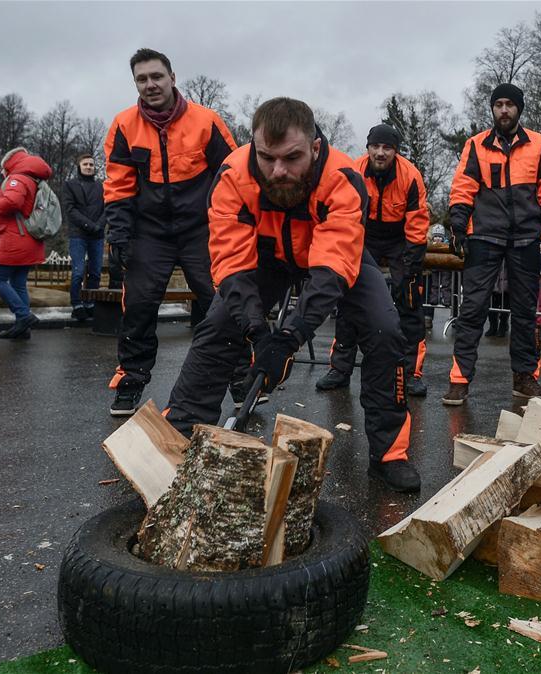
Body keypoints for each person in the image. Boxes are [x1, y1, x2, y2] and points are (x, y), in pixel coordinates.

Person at [163, 97, 420, 492]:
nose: (278, 171)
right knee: (217, 326)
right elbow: (230, 264)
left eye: (292, 158)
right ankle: (177, 435)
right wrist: (256, 332)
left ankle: (389, 453)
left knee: (386, 330)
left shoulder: (343, 177)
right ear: (254, 146)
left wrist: (290, 337)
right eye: (267, 158)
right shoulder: (233, 174)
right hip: (267, 256)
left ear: (315, 148)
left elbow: (333, 267)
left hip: (334, 256)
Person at [103, 48, 237, 416]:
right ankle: (130, 379)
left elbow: (234, 173)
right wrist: (119, 234)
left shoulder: (206, 121)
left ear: (172, 77)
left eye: (156, 77)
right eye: (142, 79)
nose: (150, 85)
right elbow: (118, 184)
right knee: (139, 304)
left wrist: (235, 226)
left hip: (201, 229)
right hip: (150, 232)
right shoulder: (124, 125)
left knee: (224, 299)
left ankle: (241, 376)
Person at [442, 83, 541, 405]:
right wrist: (457, 225)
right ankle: (460, 379)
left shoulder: (540, 144)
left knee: (525, 312)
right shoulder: (476, 145)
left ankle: (525, 377)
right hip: (484, 236)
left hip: (526, 238)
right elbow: (463, 187)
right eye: (498, 105)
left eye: (510, 104)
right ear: (493, 109)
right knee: (472, 310)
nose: (504, 110)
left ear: (519, 109)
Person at [316, 124, 430, 397]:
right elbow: (342, 213)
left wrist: (412, 264)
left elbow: (418, 222)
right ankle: (339, 369)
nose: (380, 153)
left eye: (387, 148)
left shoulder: (410, 176)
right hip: (364, 232)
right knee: (350, 300)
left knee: (410, 302)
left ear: (396, 151)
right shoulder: (354, 170)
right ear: (367, 148)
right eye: (375, 147)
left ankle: (411, 372)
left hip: (400, 237)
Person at [0, 147, 52, 339]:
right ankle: (22, 328)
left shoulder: (17, 178)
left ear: (8, 164)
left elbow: (12, 203)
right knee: (18, 283)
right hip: (29, 239)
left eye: (3, 169)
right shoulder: (34, 178)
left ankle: (24, 315)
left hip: (15, 239)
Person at [61, 153, 105, 321]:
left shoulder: (101, 186)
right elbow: (70, 209)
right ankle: (77, 304)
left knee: (95, 272)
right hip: (78, 234)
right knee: (78, 272)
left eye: (91, 164)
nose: (88, 167)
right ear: (79, 165)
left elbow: (108, 207)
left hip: (98, 235)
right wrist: (89, 225)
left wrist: (99, 225)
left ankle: (90, 303)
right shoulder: (70, 185)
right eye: (85, 164)